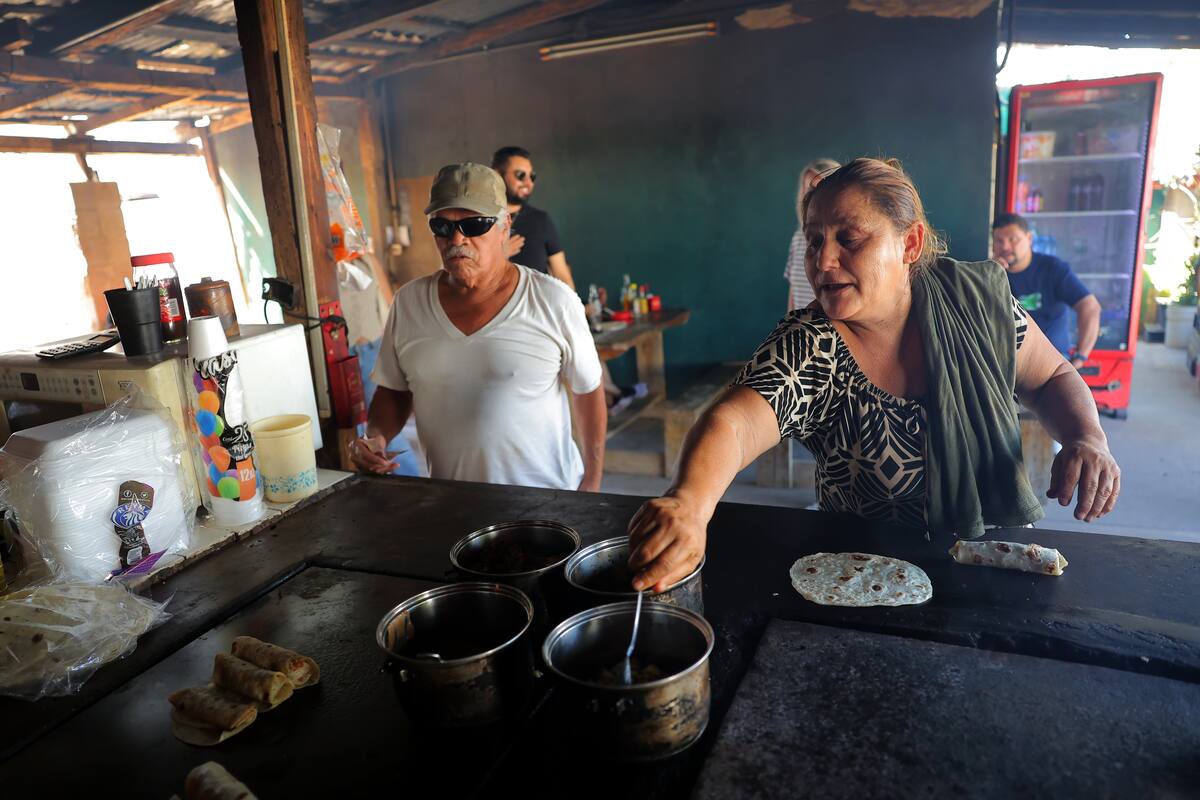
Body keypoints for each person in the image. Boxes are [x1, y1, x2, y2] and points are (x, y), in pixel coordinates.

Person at [626, 158, 1120, 592]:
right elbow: (734, 423)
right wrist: (690, 502)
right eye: (815, 240)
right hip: (863, 579)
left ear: (910, 243)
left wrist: (1087, 436)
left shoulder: (977, 305)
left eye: (849, 238)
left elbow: (1051, 374)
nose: (823, 260)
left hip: (993, 565)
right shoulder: (812, 342)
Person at [350, 162, 607, 491]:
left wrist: (593, 480)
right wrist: (377, 437)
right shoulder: (408, 304)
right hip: (454, 506)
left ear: (505, 227)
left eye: (475, 225)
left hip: (548, 503)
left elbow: (588, 392)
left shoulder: (553, 301)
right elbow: (394, 392)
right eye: (442, 226)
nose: (457, 238)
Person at [991, 212, 1101, 369]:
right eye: (999, 241)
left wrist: (1080, 357)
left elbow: (1090, 307)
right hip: (1006, 363)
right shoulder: (990, 273)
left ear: (1029, 238)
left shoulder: (1052, 269)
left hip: (1053, 362)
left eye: (1013, 239)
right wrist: (991, 276)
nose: (1006, 247)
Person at [492, 146, 576, 289]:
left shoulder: (541, 220)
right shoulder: (479, 220)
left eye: (532, 176)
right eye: (520, 175)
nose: (529, 183)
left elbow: (563, 277)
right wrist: (499, 256)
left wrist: (576, 310)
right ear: (498, 175)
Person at [786, 158, 840, 310]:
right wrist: (790, 322)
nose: (809, 197)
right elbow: (793, 289)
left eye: (817, 189)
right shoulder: (797, 239)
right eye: (806, 190)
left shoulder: (840, 243)